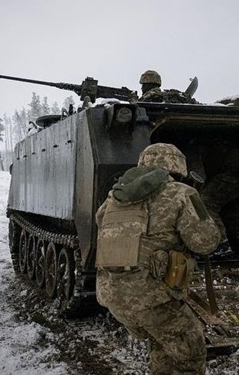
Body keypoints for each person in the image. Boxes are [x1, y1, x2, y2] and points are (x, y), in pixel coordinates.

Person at [95, 143, 221, 375]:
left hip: (113, 297)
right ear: (177, 167)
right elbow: (205, 243)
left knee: (163, 343)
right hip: (153, 301)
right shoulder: (183, 194)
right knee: (191, 352)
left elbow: (101, 225)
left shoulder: (114, 197)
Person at [186, 139, 239, 257]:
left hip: (236, 170)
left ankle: (221, 246)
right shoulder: (211, 150)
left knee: (204, 203)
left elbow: (199, 178)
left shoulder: (192, 153)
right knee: (229, 214)